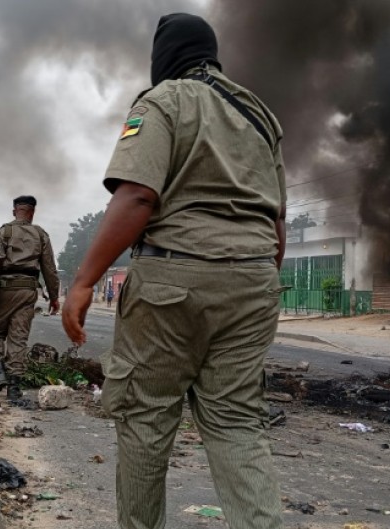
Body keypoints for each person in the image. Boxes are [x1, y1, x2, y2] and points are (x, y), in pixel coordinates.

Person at [62, 13, 287, 529]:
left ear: (165, 55)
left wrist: (83, 281)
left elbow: (139, 194)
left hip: (173, 281)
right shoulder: (259, 115)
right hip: (254, 283)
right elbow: (276, 222)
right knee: (236, 424)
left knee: (146, 418)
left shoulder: (162, 101)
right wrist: (256, 282)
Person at [0, 195, 61, 399]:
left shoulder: (4, 232)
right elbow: (50, 269)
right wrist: (54, 297)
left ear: (14, 211)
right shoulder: (41, 235)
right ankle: (14, 388)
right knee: (19, 337)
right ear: (32, 212)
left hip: (4, 289)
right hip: (28, 291)